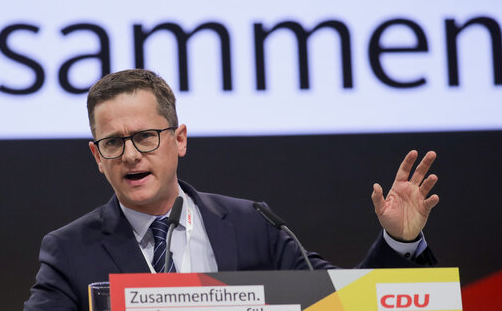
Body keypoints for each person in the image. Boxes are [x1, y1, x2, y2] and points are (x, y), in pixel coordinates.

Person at [23, 69, 440, 311]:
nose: (131, 154)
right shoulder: (69, 251)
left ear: (180, 139)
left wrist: (399, 241)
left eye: (146, 136)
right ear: (98, 156)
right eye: (113, 142)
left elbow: (339, 303)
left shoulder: (252, 225)